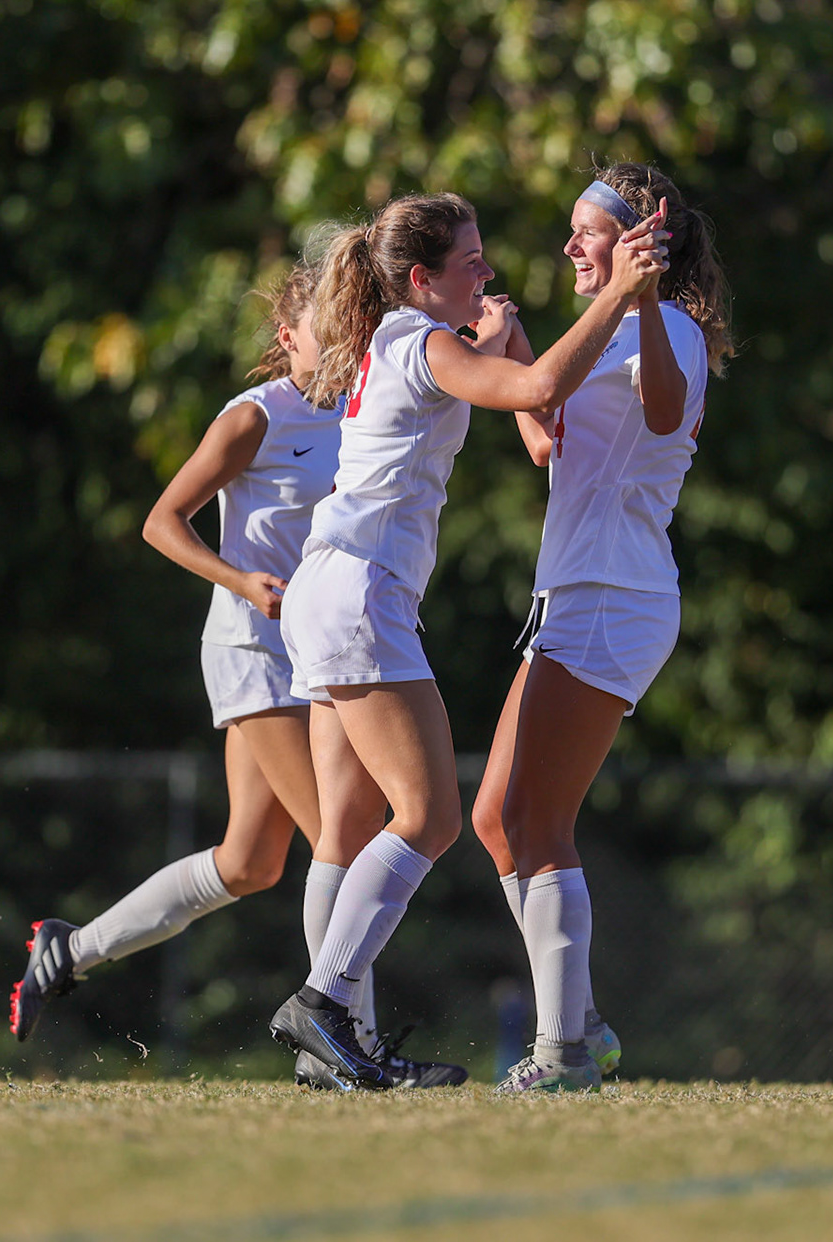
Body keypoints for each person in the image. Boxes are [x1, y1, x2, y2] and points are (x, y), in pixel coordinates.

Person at [264, 191, 672, 1090]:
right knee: (432, 816)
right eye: (470, 263)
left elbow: (492, 377)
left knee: (354, 825)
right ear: (420, 279)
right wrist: (620, 296)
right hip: (362, 590)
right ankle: (325, 1007)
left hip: (334, 586)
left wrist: (498, 334)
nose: (488, 272)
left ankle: (337, 1041)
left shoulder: (403, 341)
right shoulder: (419, 341)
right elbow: (532, 393)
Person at [9, 266, 341, 1046]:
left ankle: (69, 950)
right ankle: (336, 1031)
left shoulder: (360, 412)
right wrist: (240, 580)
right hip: (252, 646)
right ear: (287, 338)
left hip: (317, 649)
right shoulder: (255, 416)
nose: (338, 341)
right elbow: (162, 522)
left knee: (251, 861)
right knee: (344, 840)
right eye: (322, 327)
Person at [470, 163, 732, 1092]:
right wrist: (514, 348)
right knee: (497, 820)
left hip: (614, 596)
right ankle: (578, 1023)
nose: (571, 246)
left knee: (540, 821)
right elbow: (555, 446)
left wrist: (645, 300)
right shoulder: (609, 329)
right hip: (577, 593)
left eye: (589, 232)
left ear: (639, 240)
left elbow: (661, 414)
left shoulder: (671, 331)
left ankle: (564, 1054)